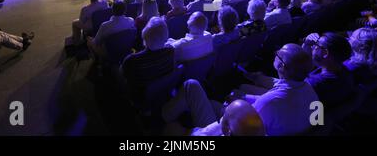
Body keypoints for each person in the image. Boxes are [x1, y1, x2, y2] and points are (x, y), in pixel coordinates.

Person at [163, 44, 318, 136]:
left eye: (278, 54)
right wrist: (243, 97)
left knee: (191, 85)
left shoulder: (270, 102)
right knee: (211, 102)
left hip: (229, 129)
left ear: (282, 66)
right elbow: (317, 122)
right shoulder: (311, 91)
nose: (275, 55)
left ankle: (160, 118)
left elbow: (230, 127)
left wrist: (191, 133)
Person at [121, 17, 175, 87]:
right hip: (163, 91)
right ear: (166, 35)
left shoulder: (131, 60)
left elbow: (124, 76)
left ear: (144, 35)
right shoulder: (170, 51)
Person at [306, 32, 355, 108]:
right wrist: (306, 45)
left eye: (316, 45)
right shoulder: (345, 71)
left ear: (325, 53)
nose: (313, 47)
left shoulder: (312, 84)